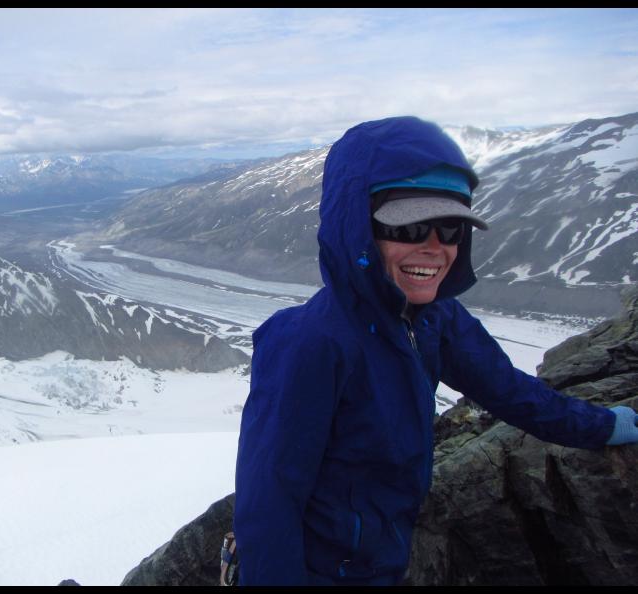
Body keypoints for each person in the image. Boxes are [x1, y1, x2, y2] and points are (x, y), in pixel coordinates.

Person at [233, 116, 638, 586]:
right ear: (356, 227)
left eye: (450, 229)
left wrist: (601, 425)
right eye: (407, 228)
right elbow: (270, 500)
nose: (434, 248)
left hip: (389, 558)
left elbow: (510, 392)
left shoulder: (435, 319)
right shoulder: (311, 343)